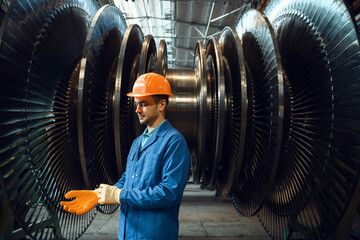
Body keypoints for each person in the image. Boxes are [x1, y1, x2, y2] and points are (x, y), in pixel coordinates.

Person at [60, 72, 191, 240]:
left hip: (153, 234)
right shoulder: (137, 143)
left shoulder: (174, 142)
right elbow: (127, 180)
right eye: (136, 104)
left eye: (143, 104)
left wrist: (119, 196)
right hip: (127, 233)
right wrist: (98, 194)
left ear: (162, 105)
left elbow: (168, 193)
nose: (137, 110)